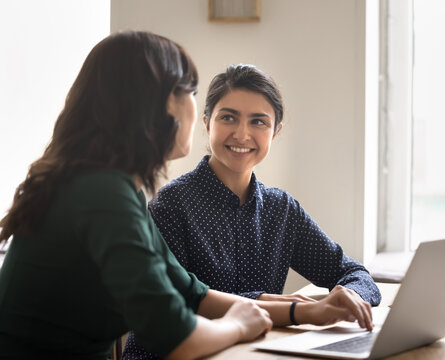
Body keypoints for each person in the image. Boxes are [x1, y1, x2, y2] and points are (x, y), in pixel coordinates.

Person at [0, 33, 374, 360]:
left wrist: (304, 312)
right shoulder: (105, 193)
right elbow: (179, 334)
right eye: (188, 92)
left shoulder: (111, 188)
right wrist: (241, 324)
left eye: (258, 121)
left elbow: (193, 294)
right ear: (151, 106)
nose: (194, 106)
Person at [122, 64, 381, 359]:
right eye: (228, 118)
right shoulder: (171, 205)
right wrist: (293, 310)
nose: (242, 134)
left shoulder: (281, 209)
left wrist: (352, 296)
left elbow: (353, 272)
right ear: (207, 123)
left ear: (276, 131)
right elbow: (181, 306)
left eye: (258, 122)